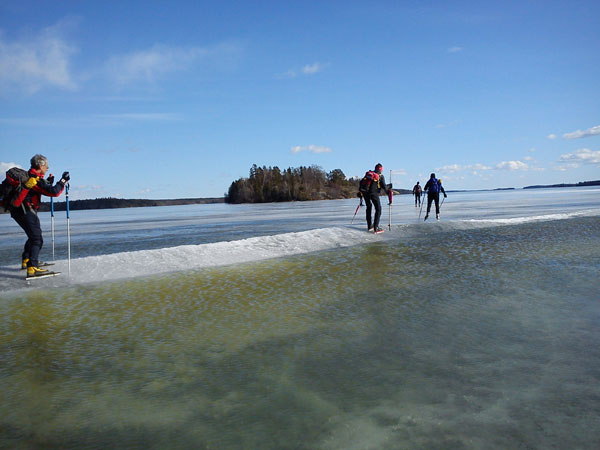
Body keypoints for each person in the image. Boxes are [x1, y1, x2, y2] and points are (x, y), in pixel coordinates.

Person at [6, 154, 69, 279]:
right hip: (26, 211)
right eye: (46, 166)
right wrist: (63, 181)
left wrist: (49, 182)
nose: (47, 168)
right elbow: (54, 192)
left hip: (18, 211)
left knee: (33, 235)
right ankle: (32, 267)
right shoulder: (34, 179)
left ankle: (26, 260)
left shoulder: (30, 178)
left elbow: (42, 188)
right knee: (37, 239)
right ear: (40, 165)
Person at [361, 163, 391, 233]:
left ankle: (369, 226)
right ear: (381, 169)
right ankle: (376, 227)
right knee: (378, 209)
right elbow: (384, 187)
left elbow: (362, 183)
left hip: (365, 193)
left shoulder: (369, 174)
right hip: (373, 193)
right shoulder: (380, 176)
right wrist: (390, 186)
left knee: (369, 207)